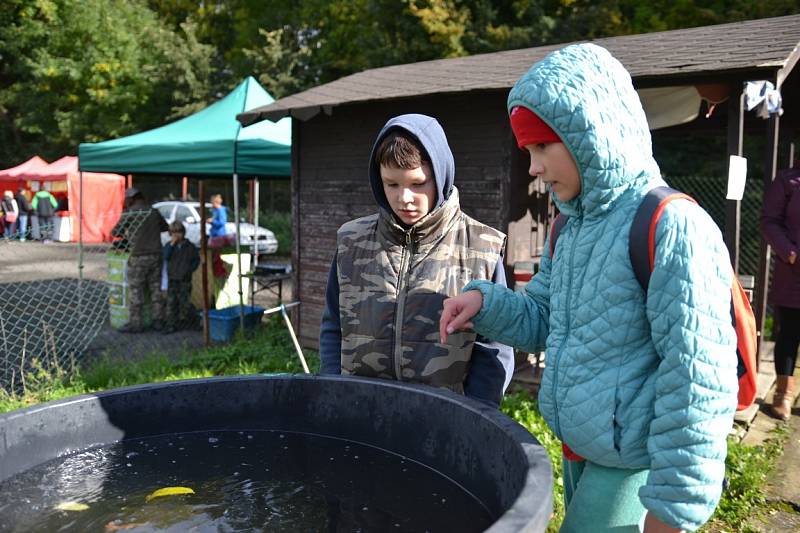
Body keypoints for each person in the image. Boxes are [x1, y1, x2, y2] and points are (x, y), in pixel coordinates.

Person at [439, 44, 738, 533]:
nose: (533, 167)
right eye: (528, 151)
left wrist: (674, 507)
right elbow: (542, 317)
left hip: (633, 471)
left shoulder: (671, 225)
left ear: (590, 136)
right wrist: (485, 303)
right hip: (582, 451)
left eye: (541, 147)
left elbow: (698, 380)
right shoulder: (569, 227)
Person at [319, 113, 514, 408]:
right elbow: (334, 326)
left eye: (418, 183)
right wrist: (334, 390)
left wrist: (477, 416)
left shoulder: (481, 249)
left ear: (441, 175)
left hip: (446, 421)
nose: (404, 198)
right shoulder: (351, 242)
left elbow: (494, 348)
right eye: (391, 184)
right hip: (360, 415)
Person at [760, 163, 800, 421]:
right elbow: (769, 221)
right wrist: (791, 253)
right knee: (790, 333)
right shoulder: (788, 180)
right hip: (794, 274)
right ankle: (783, 394)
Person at [111, 187, 169, 333]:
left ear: (131, 199)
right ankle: (158, 321)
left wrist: (131, 229)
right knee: (156, 290)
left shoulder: (131, 212)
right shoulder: (153, 211)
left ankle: (136, 324)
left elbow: (115, 232)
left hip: (138, 256)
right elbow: (165, 227)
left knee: (136, 290)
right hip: (156, 255)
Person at [162, 221, 200, 334]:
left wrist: (189, 270)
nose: (176, 236)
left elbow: (196, 260)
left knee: (185, 302)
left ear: (183, 233)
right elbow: (165, 256)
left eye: (179, 232)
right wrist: (172, 245)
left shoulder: (190, 247)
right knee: (171, 302)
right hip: (173, 278)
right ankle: (171, 324)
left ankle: (193, 321)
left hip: (184, 279)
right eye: (173, 233)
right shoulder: (169, 246)